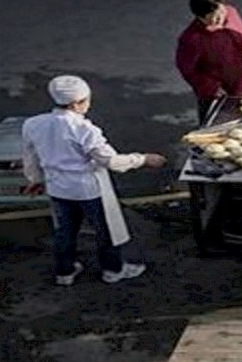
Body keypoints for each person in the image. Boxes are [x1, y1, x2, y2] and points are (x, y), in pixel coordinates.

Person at [21, 76, 167, 286]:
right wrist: (143, 159)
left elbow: (30, 156)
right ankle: (113, 270)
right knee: (105, 231)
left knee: (64, 232)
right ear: (77, 103)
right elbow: (110, 160)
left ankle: (65, 272)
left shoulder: (33, 124)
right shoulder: (84, 129)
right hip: (88, 190)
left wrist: (35, 179)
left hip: (57, 188)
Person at [176, 0, 242, 125]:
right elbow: (188, 69)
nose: (220, 18)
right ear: (200, 17)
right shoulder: (192, 39)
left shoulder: (231, 12)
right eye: (213, 17)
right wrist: (211, 87)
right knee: (219, 128)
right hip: (221, 92)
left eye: (221, 12)